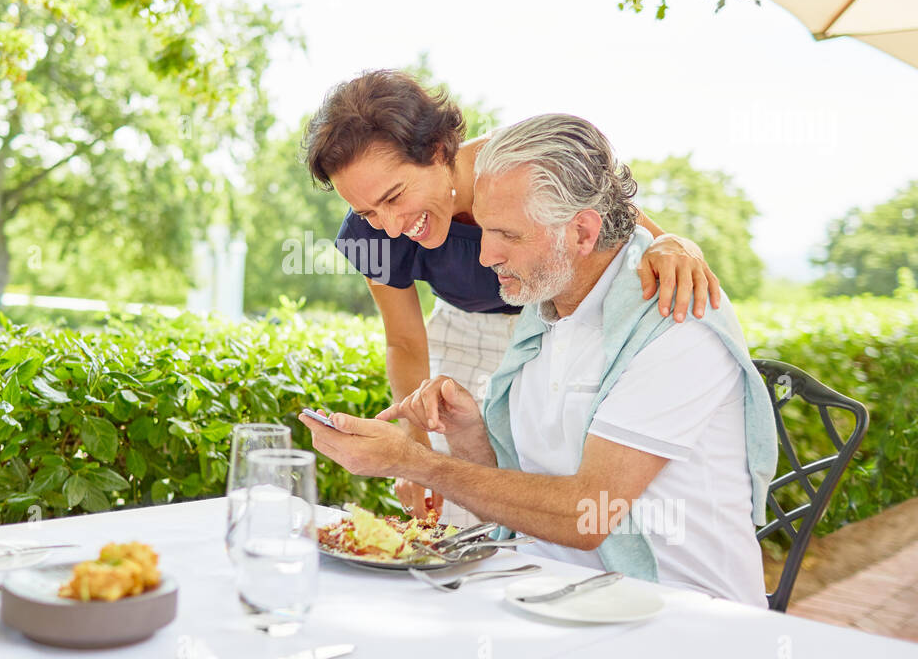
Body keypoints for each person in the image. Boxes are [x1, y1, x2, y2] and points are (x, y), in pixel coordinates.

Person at [301, 113, 777, 605]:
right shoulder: (542, 319)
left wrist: (413, 461)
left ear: (581, 234)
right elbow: (522, 487)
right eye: (483, 231)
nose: (484, 257)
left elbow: (584, 514)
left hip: (679, 618)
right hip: (564, 601)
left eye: (507, 235)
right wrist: (467, 434)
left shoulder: (671, 324)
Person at [304, 70, 722, 525]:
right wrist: (416, 444)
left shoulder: (516, 166)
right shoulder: (376, 236)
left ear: (439, 151)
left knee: (553, 499)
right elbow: (404, 342)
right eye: (366, 212)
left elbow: (617, 220)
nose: (387, 225)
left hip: (556, 328)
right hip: (463, 332)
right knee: (462, 514)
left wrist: (673, 243)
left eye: (394, 196)